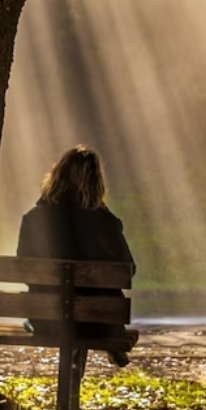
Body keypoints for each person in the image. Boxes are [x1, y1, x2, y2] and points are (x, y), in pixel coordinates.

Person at [16, 144, 138, 366]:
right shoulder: (106, 222)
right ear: (96, 182)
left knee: (60, 313)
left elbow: (24, 270)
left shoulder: (33, 218)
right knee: (89, 312)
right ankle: (109, 345)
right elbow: (129, 269)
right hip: (99, 323)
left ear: (57, 175)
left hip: (47, 319)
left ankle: (75, 363)